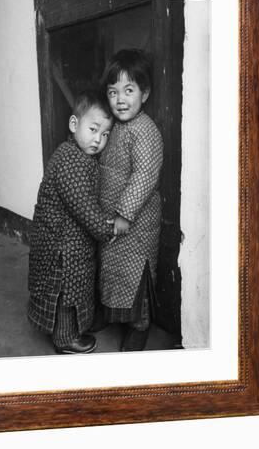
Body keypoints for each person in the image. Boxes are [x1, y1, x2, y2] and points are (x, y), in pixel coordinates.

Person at [27, 91, 115, 354]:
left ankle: (80, 323)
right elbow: (84, 206)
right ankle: (65, 339)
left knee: (79, 285)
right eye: (93, 129)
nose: (98, 139)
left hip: (71, 238)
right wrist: (105, 228)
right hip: (59, 245)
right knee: (66, 290)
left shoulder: (82, 157)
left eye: (105, 134)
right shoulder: (70, 161)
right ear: (74, 125)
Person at [97, 49, 163, 351]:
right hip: (112, 221)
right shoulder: (115, 125)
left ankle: (139, 325)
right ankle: (114, 314)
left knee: (136, 279)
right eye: (113, 92)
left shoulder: (145, 131)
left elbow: (145, 175)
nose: (120, 99)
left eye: (129, 90)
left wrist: (124, 213)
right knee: (111, 272)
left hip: (136, 225)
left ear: (144, 93)